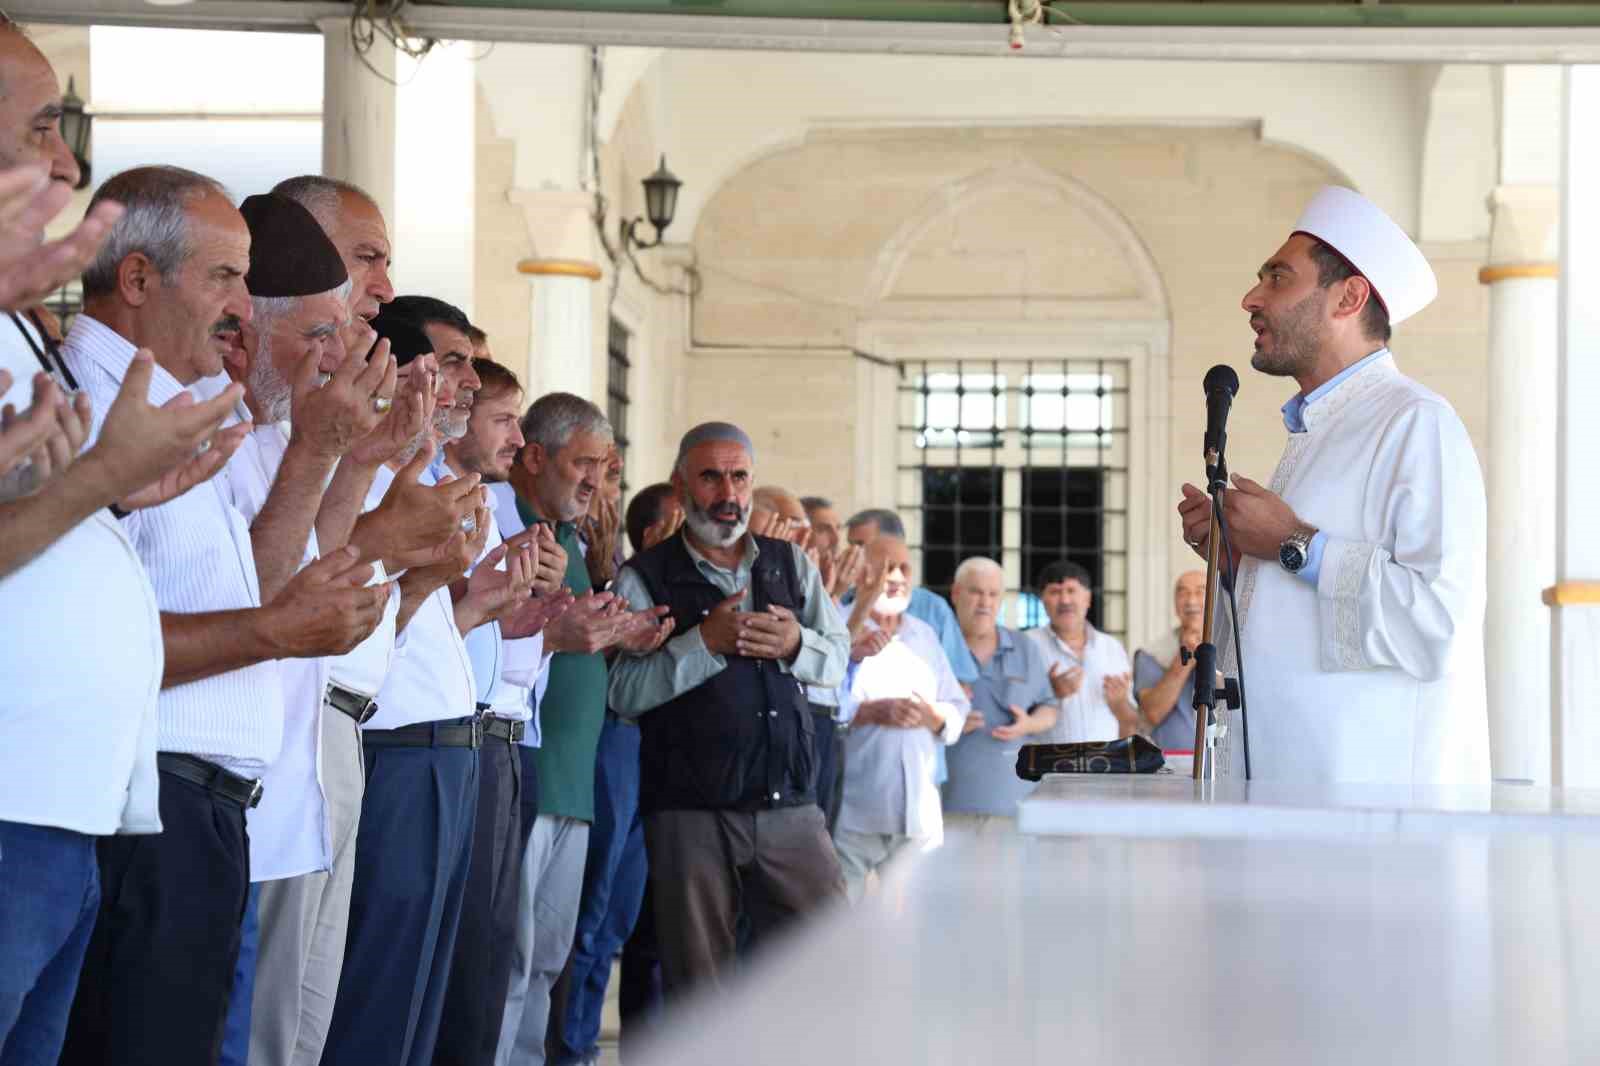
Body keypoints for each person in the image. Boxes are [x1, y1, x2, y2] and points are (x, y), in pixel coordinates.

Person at [58, 166, 388, 1066]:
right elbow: (114, 639)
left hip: (208, 808)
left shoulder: (179, 408)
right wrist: (278, 628)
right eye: (225, 278)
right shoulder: (85, 405)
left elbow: (254, 595)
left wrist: (325, 454)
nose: (243, 307)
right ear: (135, 280)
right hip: (144, 806)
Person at [0, 33, 242, 1062]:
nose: (64, 163)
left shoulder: (20, 325)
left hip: (66, 801)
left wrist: (112, 491)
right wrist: (103, 480)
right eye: (40, 126)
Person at [1177, 185, 1489, 785]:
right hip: (1287, 794)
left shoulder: (1415, 422)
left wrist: (1293, 542)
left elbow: (1437, 626)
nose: (1251, 298)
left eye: (1277, 278)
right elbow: (1300, 617)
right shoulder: (1319, 428)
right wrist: (1238, 555)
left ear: (1349, 296)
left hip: (1371, 818)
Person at [609, 421, 849, 996]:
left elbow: (837, 657)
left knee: (829, 961)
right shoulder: (644, 576)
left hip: (788, 803)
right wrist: (704, 643)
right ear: (682, 484)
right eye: (711, 477)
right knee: (701, 986)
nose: (728, 493)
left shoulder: (791, 565)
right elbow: (622, 692)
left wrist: (796, 645)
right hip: (689, 813)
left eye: (739, 477)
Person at [321, 301, 491, 1066]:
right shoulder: (366, 465)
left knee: (421, 996)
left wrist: (473, 597)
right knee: (370, 995)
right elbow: (341, 589)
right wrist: (424, 578)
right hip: (392, 742)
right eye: (452, 363)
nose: (464, 384)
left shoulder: (428, 472)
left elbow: (414, 611)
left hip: (445, 746)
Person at [495, 392, 665, 1066]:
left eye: (605, 466)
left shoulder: (574, 540)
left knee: (546, 962)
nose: (595, 481)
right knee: (508, 957)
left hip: (574, 782)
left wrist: (625, 633)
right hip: (525, 772)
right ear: (536, 457)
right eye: (583, 463)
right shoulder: (504, 523)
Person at [436, 356, 570, 1066]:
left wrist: (546, 622)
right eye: (503, 419)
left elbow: (496, 630)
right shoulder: (435, 493)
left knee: (491, 954)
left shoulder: (487, 503)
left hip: (500, 738)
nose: (516, 439)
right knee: (459, 958)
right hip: (454, 739)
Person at [551, 484, 679, 1066]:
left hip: (640, 750)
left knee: (615, 921)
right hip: (601, 747)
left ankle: (582, 1047)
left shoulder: (641, 573)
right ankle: (569, 1047)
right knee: (589, 913)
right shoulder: (616, 572)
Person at [832, 536, 969, 899]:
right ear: (860, 573)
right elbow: (819, 705)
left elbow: (957, 706)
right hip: (854, 813)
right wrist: (869, 712)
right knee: (839, 929)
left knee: (918, 934)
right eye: (884, 567)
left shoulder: (923, 634)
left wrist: (934, 716)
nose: (895, 577)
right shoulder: (838, 628)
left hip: (920, 817)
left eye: (903, 568)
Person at [944, 556, 1058, 815]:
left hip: (1016, 802)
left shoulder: (1025, 647)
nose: (985, 603)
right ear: (956, 593)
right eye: (975, 592)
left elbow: (1050, 708)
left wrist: (1028, 724)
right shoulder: (935, 646)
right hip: (947, 802)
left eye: (993, 594)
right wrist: (946, 721)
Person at [1024, 561, 1138, 743]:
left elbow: (1131, 722)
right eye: (1055, 592)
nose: (1065, 600)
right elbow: (1011, 714)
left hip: (1104, 765)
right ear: (1043, 601)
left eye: (1071, 590)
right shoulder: (1026, 644)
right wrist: (1051, 693)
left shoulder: (1111, 647)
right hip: (1046, 766)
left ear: (1088, 599)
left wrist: (1119, 704)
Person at [1132, 571, 1208, 751]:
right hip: (1170, 764)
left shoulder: (1234, 646)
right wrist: (1186, 655)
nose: (1191, 601)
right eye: (1183, 593)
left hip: (1225, 766)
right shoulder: (1151, 653)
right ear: (1175, 605)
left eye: (1200, 591)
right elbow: (1153, 713)